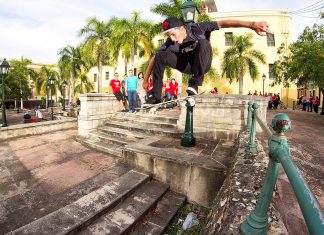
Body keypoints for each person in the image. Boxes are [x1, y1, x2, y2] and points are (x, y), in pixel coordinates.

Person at [142, 17, 272, 104]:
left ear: (181, 28)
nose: (172, 39)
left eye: (173, 34)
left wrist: (253, 25)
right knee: (160, 55)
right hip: (186, 66)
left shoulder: (198, 28)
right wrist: (146, 79)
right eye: (168, 36)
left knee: (203, 42)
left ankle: (194, 83)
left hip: (203, 62)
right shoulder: (170, 42)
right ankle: (156, 96)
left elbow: (223, 24)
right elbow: (154, 59)